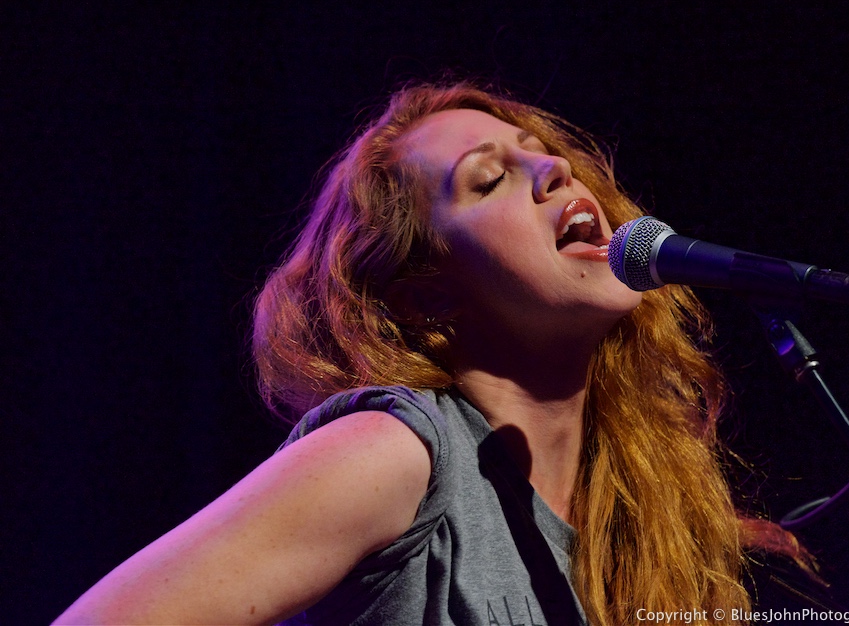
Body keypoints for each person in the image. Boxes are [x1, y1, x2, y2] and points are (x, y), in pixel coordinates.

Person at [56, 81, 810, 625]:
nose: (555, 171)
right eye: (489, 180)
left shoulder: (638, 511)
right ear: (429, 298)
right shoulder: (395, 452)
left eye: (546, 154)